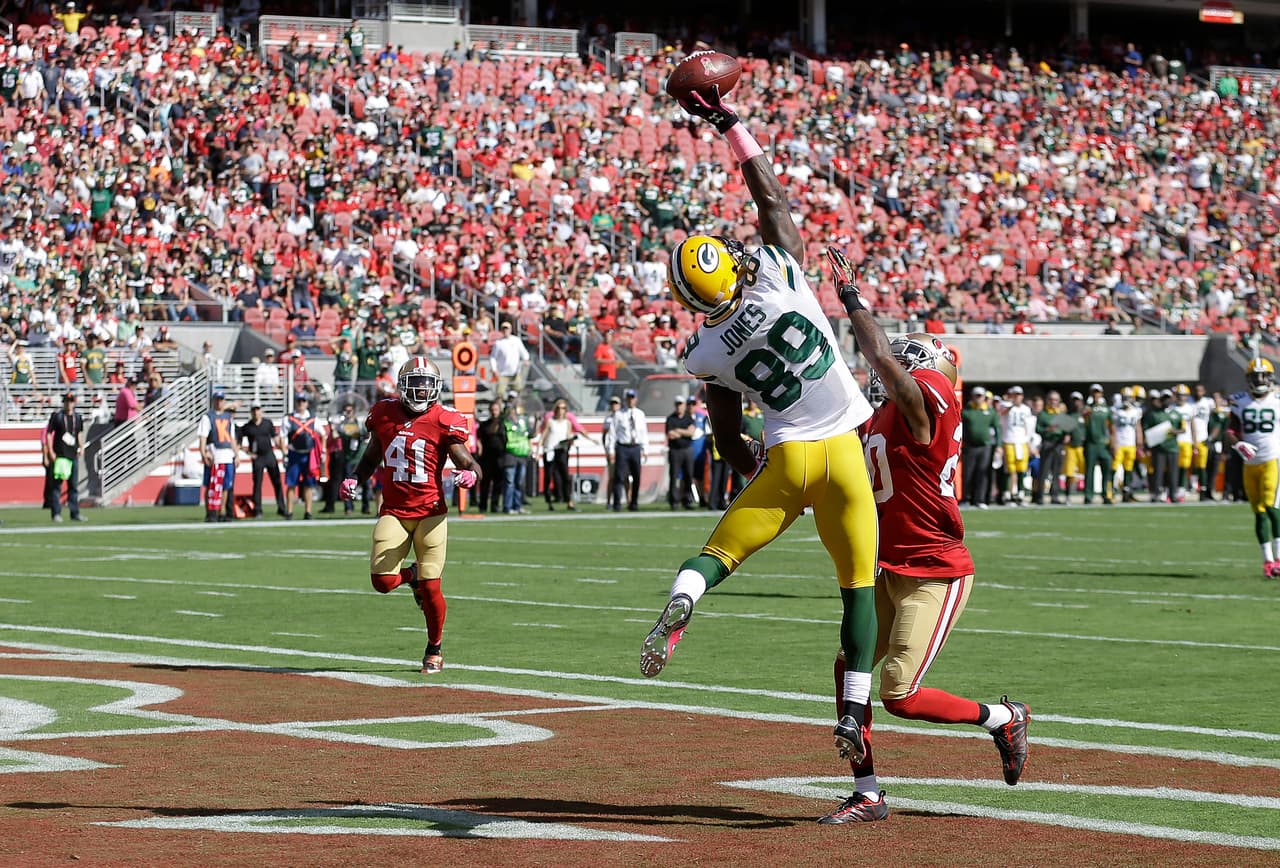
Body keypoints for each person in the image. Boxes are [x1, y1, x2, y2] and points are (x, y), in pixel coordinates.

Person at [639, 89, 879, 790]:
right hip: (845, 453)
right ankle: (855, 709)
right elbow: (771, 200)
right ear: (734, 262)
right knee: (858, 591)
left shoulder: (706, 353)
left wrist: (756, 474)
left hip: (787, 457)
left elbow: (724, 437)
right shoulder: (779, 273)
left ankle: (689, 593)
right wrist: (733, 125)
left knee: (717, 552)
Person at [826, 260, 1030, 823]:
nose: (893, 372)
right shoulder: (878, 420)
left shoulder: (926, 409)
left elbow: (885, 364)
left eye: (908, 364)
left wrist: (852, 299)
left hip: (935, 569)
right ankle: (867, 792)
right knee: (850, 669)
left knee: (899, 693)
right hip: (887, 565)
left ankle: (1002, 718)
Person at [341, 357, 481, 673]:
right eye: (415, 384)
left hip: (431, 512)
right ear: (403, 386)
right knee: (382, 581)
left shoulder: (445, 420)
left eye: (426, 385)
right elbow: (372, 455)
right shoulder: (384, 414)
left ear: (435, 387)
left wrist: (470, 473)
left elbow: (467, 460)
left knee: (432, 588)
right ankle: (411, 576)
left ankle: (434, 648)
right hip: (394, 510)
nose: (420, 391)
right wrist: (354, 477)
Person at [1227, 359, 1280, 577]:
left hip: (1272, 460)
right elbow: (1230, 430)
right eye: (1255, 376)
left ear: (1270, 377)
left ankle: (1279, 557)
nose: (1259, 380)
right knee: (1258, 512)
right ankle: (1267, 561)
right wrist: (1237, 442)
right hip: (1249, 464)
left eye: (1263, 375)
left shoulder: (1277, 399)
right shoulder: (1239, 401)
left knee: (1271, 506)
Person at [536, 398, 591, 510]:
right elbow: (544, 436)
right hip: (550, 450)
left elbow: (568, 436)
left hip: (561, 450)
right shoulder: (550, 421)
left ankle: (569, 501)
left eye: (563, 408)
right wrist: (538, 450)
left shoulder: (567, 423)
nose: (561, 410)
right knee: (548, 476)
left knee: (565, 476)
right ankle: (549, 501)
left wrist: (570, 441)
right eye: (559, 408)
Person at [45, 391, 86, 523]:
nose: (69, 404)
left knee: (73, 486)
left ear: (74, 403)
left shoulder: (78, 418)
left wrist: (81, 446)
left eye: (71, 401)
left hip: (72, 454)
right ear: (64, 402)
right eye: (67, 401)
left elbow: (78, 433)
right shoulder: (58, 417)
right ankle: (56, 513)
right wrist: (50, 451)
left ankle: (75, 513)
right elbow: (49, 434)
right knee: (56, 486)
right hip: (60, 455)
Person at [239, 402, 286, 518]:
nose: (256, 412)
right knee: (257, 484)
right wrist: (248, 452)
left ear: (261, 411)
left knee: (277, 482)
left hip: (269, 454)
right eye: (254, 410)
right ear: (251, 412)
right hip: (257, 457)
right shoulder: (248, 426)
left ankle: (281, 507)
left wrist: (283, 450)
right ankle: (258, 509)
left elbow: (275, 438)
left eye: (257, 409)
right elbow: (238, 442)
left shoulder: (267, 423)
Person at [198, 389, 238, 522]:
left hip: (227, 454)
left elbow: (232, 438)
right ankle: (210, 512)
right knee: (211, 484)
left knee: (226, 485)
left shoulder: (228, 417)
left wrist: (236, 454)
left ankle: (222, 511)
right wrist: (203, 452)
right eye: (217, 399)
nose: (219, 402)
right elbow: (203, 436)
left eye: (221, 400)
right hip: (215, 453)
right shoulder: (208, 417)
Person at [281, 394, 321, 519]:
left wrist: (322, 452)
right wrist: (285, 453)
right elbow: (282, 437)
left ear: (307, 403)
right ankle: (289, 511)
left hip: (309, 455)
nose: (301, 404)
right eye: (299, 401)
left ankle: (308, 511)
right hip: (294, 454)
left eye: (303, 401)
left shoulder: (313, 419)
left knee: (309, 484)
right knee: (291, 483)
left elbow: (323, 434)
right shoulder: (289, 418)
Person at [961, 387, 999, 508]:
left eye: (980, 396)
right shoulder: (966, 411)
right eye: (976, 396)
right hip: (970, 446)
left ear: (984, 397)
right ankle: (966, 498)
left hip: (985, 446)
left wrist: (998, 445)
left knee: (982, 474)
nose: (978, 398)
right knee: (968, 473)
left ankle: (980, 499)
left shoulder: (990, 411)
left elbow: (997, 428)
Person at [609, 388, 646, 511]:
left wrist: (645, 449)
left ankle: (633, 502)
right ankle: (617, 503)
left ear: (636, 399)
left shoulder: (640, 414)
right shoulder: (619, 414)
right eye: (629, 398)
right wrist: (611, 450)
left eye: (633, 398)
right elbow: (612, 433)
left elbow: (643, 433)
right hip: (623, 447)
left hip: (635, 447)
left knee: (636, 476)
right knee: (619, 476)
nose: (630, 400)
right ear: (625, 399)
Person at [1143, 389, 1182, 503]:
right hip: (1158, 447)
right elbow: (1146, 429)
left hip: (1173, 446)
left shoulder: (1176, 413)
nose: (1166, 401)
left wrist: (1176, 431)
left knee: (1173, 472)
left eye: (1168, 398)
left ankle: (1173, 494)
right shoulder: (1153, 414)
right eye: (1164, 398)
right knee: (1158, 472)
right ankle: (1156, 494)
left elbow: (1183, 428)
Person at [998, 386, 1033, 505]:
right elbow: (1001, 414)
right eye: (1015, 394)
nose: (1017, 397)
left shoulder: (1026, 409)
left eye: (1019, 395)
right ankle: (1007, 494)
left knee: (1022, 469)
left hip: (1022, 441)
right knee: (1009, 469)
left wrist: (1029, 442)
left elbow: (1029, 427)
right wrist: (1011, 404)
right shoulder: (1005, 405)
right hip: (1008, 440)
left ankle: (1020, 494)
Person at [1082, 384, 1114, 504]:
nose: (1096, 395)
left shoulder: (1106, 409)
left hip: (1103, 444)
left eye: (1098, 392)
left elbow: (1112, 427)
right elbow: (1082, 420)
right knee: (1089, 470)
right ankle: (1088, 495)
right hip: (1091, 443)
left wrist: (1113, 443)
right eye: (1094, 392)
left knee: (1107, 469)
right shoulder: (1087, 408)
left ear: (1101, 394)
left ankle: (1107, 494)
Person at [1033, 391, 1067, 505]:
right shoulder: (1043, 414)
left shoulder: (1060, 414)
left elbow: (1066, 429)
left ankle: (1055, 496)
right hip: (1047, 443)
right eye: (1051, 399)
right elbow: (1038, 429)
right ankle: (1040, 496)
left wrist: (1067, 435)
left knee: (1056, 472)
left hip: (1058, 444)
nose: (1053, 402)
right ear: (1047, 400)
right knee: (1044, 471)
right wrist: (1048, 429)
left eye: (1056, 400)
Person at [1112, 387, 1145, 502]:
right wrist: (1114, 443)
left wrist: (1139, 443)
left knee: (1129, 469)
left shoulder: (1136, 411)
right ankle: (1111, 490)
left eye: (1129, 397)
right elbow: (1113, 429)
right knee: (1114, 468)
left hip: (1131, 444)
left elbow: (1138, 427)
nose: (1127, 400)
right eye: (1125, 397)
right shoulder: (1116, 410)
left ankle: (1126, 492)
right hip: (1119, 444)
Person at [474, 399, 507, 513]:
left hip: (500, 458)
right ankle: (482, 506)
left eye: (496, 410)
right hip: (487, 458)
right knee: (485, 484)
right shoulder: (485, 425)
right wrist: (479, 446)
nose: (494, 412)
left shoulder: (503, 424)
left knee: (498, 483)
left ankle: (495, 505)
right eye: (492, 410)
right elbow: (478, 437)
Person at [501, 399, 533, 514]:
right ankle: (508, 506)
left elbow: (530, 435)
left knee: (519, 482)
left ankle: (518, 506)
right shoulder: (505, 423)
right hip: (510, 455)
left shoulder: (522, 423)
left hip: (522, 455)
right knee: (510, 482)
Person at [665, 396, 697, 509]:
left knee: (688, 475)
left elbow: (691, 432)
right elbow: (670, 435)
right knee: (674, 476)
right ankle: (674, 501)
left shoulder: (688, 418)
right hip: (675, 451)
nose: (679, 406)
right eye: (677, 404)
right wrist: (685, 432)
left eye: (681, 404)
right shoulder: (671, 418)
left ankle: (687, 500)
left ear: (684, 405)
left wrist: (678, 431)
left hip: (687, 450)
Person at [490, 321, 529, 399]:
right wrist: (494, 370)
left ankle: (515, 409)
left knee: (518, 391)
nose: (505, 331)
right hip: (502, 373)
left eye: (507, 329)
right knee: (499, 394)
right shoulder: (498, 343)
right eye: (503, 329)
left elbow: (524, 352)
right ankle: (499, 409)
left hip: (515, 373)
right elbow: (493, 357)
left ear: (510, 330)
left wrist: (526, 359)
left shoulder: (516, 340)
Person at [1193, 384, 1218, 501]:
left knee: (1203, 466)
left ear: (1204, 391)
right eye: (1196, 390)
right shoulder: (1188, 403)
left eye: (1200, 390)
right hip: (1188, 439)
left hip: (1203, 438)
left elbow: (1215, 420)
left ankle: (1204, 491)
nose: (1198, 393)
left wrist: (1211, 437)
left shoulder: (1208, 402)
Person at [601, 395, 622, 509]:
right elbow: (605, 436)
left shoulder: (624, 416)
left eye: (616, 403)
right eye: (612, 403)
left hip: (623, 449)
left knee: (626, 477)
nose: (614, 406)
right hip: (612, 451)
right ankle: (609, 501)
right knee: (612, 477)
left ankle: (628, 500)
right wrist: (608, 450)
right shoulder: (608, 419)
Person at [593, 330, 620, 410]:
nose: (609, 338)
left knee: (608, 396)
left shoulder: (610, 348)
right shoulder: (601, 347)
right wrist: (611, 361)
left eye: (610, 336)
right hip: (604, 374)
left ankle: (604, 410)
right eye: (607, 336)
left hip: (611, 374)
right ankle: (600, 411)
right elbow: (598, 360)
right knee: (605, 395)